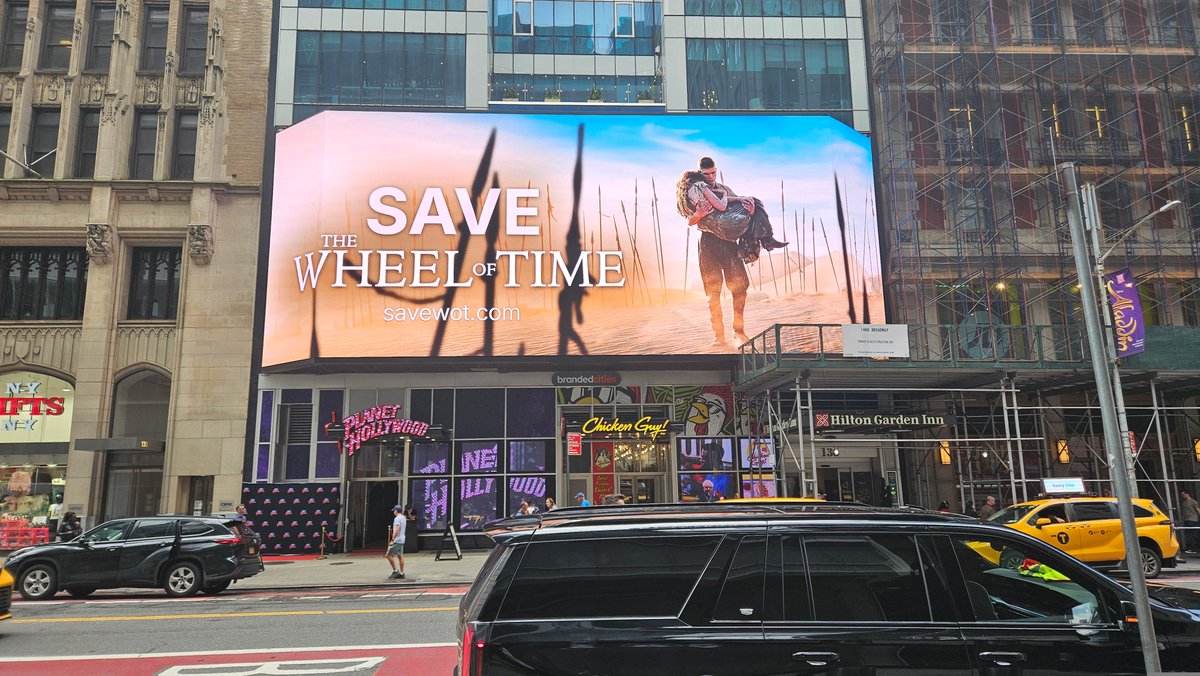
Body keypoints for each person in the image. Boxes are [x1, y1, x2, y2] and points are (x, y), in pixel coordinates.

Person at [676, 156, 788, 346]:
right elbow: (690, 221)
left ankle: (739, 330)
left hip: (729, 243)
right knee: (713, 293)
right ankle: (719, 337)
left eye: (713, 172)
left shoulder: (724, 189)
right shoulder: (695, 189)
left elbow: (736, 207)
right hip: (707, 243)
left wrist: (747, 204)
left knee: (739, 287)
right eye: (706, 174)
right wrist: (698, 215)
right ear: (700, 173)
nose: (710, 177)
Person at [385, 504, 406, 580]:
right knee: (400, 556)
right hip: (402, 539)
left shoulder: (397, 518)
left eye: (394, 510)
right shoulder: (403, 518)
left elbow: (397, 529)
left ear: (396, 511)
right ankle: (402, 573)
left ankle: (395, 570)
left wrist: (392, 539)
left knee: (388, 554)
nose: (393, 512)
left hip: (397, 540)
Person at [1180, 490, 1200, 554]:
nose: (1182, 496)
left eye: (1183, 494)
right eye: (1182, 495)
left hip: (1193, 520)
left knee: (1193, 534)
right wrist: (1182, 520)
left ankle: (1193, 549)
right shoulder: (1184, 503)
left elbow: (1198, 510)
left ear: (1187, 494)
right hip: (1186, 520)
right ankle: (1190, 548)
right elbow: (1184, 512)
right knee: (1188, 534)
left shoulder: (1193, 502)